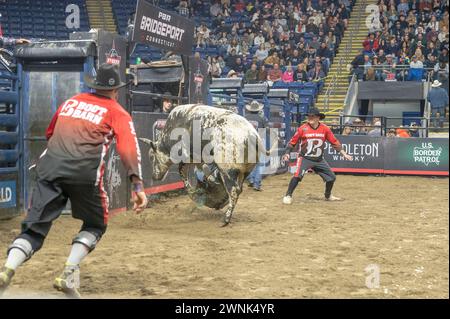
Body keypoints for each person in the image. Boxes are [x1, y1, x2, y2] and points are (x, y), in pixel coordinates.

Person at [0, 63, 148, 298]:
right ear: (115, 90)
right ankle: (69, 273)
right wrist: (137, 184)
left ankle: (7, 269)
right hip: (83, 174)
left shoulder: (71, 102)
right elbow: (128, 148)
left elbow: (50, 133)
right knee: (95, 224)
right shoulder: (117, 112)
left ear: (94, 84)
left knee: (34, 228)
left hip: (49, 169)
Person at [281, 107, 353, 205]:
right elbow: (292, 142)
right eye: (309, 116)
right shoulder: (303, 128)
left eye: (313, 116)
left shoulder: (325, 129)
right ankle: (288, 195)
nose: (310, 118)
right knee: (297, 176)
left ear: (318, 118)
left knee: (331, 177)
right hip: (305, 158)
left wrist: (344, 154)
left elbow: (334, 142)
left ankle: (328, 196)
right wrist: (287, 153)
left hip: (319, 159)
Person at [244, 101, 268, 191]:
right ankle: (256, 184)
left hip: (248, 142)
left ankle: (250, 179)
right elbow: (267, 129)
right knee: (258, 164)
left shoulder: (245, 118)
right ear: (258, 110)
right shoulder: (262, 119)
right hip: (258, 141)